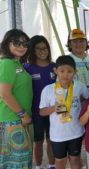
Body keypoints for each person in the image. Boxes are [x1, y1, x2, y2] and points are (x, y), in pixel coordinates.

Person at [40, 55, 89, 169]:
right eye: (62, 71)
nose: (65, 74)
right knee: (60, 162)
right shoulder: (48, 90)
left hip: (76, 132)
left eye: (69, 71)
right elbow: (42, 112)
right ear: (55, 70)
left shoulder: (80, 87)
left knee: (75, 160)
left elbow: (87, 102)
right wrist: (53, 108)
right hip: (58, 135)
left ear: (75, 72)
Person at [0, 29, 33, 169]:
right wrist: (23, 114)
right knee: (15, 164)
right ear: (7, 43)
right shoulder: (7, 63)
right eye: (16, 42)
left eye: (25, 43)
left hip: (17, 121)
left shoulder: (17, 64)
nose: (21, 46)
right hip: (11, 122)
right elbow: (4, 93)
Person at [24, 35, 56, 169]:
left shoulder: (55, 67)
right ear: (32, 50)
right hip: (36, 112)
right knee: (38, 141)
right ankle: (38, 166)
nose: (42, 51)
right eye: (38, 49)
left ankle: (52, 165)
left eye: (45, 48)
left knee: (51, 140)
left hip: (54, 111)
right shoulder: (27, 67)